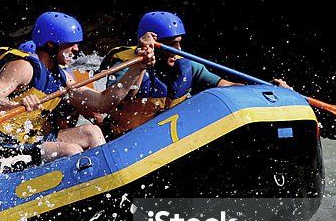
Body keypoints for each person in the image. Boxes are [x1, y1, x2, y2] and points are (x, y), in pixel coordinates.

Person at [0, 11, 155, 165]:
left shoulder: (62, 75)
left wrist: (136, 68)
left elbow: (102, 103)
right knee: (71, 150)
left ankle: (105, 173)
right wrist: (16, 105)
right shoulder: (23, 67)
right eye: (70, 44)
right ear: (51, 44)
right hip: (1, 142)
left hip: (31, 140)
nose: (76, 49)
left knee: (91, 131)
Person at [99, 11, 289, 137]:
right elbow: (118, 98)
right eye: (172, 44)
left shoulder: (186, 66)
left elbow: (227, 86)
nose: (179, 50)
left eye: (179, 42)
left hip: (161, 140)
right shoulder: (125, 64)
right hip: (121, 138)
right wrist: (142, 61)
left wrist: (265, 88)